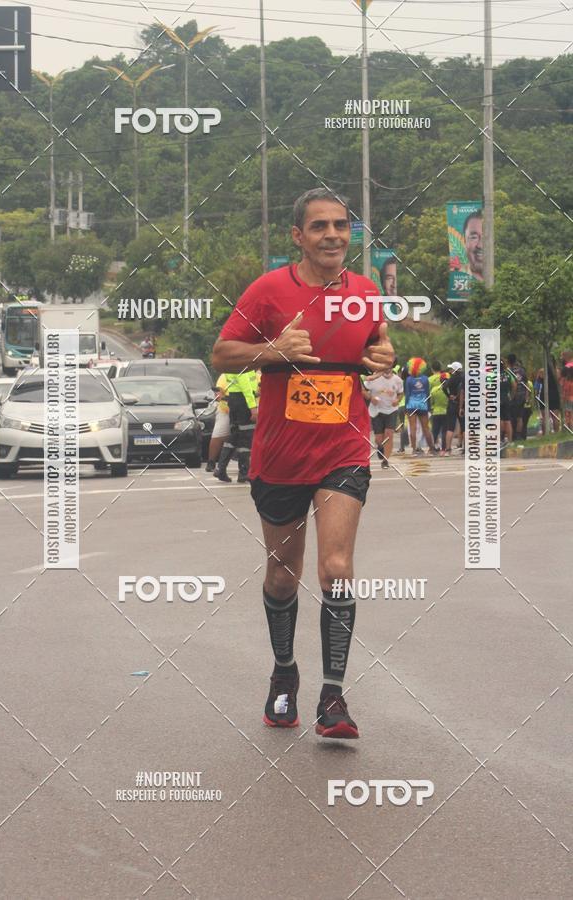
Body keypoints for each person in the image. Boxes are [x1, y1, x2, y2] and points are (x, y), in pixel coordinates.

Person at [212, 187, 394, 740]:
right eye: (320, 227)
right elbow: (221, 353)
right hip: (280, 455)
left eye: (341, 225)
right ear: (299, 236)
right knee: (282, 575)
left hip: (343, 449)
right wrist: (274, 351)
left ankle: (333, 696)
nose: (333, 235)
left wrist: (382, 356)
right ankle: (284, 673)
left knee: (336, 569)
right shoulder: (269, 291)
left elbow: (377, 351)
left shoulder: (364, 293)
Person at [214, 370, 258, 483]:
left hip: (234, 399)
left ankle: (221, 468)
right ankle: (244, 472)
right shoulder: (243, 365)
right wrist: (253, 408)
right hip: (243, 401)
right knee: (246, 437)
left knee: (235, 435)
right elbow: (246, 387)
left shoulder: (232, 363)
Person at [363, 363, 403, 468]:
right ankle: (380, 447)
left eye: (390, 366)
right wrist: (371, 398)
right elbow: (362, 390)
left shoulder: (397, 380)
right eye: (385, 366)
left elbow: (400, 393)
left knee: (389, 434)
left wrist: (397, 400)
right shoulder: (374, 378)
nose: (387, 369)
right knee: (379, 439)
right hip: (376, 411)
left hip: (391, 410)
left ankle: (385, 460)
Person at [404, 357, 436, 455]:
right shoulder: (425, 379)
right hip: (423, 405)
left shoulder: (408, 380)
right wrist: (429, 407)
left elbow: (407, 394)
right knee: (426, 428)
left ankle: (414, 450)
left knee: (413, 428)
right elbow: (427, 393)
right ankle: (432, 449)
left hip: (411, 405)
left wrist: (406, 407)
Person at [206, 373, 231, 473]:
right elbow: (219, 394)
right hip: (226, 410)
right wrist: (223, 397)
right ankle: (211, 462)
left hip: (248, 411)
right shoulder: (225, 376)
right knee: (218, 435)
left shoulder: (253, 375)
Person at [443, 361, 465, 454]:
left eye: (451, 369)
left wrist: (449, 395)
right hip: (463, 404)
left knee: (450, 427)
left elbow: (444, 387)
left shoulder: (451, 379)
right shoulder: (465, 378)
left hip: (452, 403)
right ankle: (466, 448)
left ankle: (448, 449)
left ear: (455, 370)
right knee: (464, 427)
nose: (450, 370)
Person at [428, 360, 448, 453]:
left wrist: (430, 407)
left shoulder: (430, 380)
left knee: (434, 430)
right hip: (446, 410)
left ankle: (433, 447)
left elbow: (429, 396)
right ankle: (444, 449)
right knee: (444, 431)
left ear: (432, 369)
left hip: (435, 409)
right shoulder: (447, 376)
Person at [507, 353, 528, 441]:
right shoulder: (522, 370)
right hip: (522, 396)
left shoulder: (508, 371)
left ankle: (513, 435)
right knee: (520, 417)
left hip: (513, 397)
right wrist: (526, 396)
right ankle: (519, 435)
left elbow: (508, 385)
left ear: (508, 361)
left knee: (512, 417)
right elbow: (526, 382)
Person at [463, 211, 483, 282]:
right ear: (464, 242)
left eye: (486, 237)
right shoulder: (459, 276)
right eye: (474, 237)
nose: (480, 245)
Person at [499, 359, 516, 445]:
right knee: (507, 420)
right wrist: (511, 396)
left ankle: (500, 439)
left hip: (496, 400)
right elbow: (514, 386)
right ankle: (509, 440)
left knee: (499, 419)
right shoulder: (508, 375)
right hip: (506, 399)